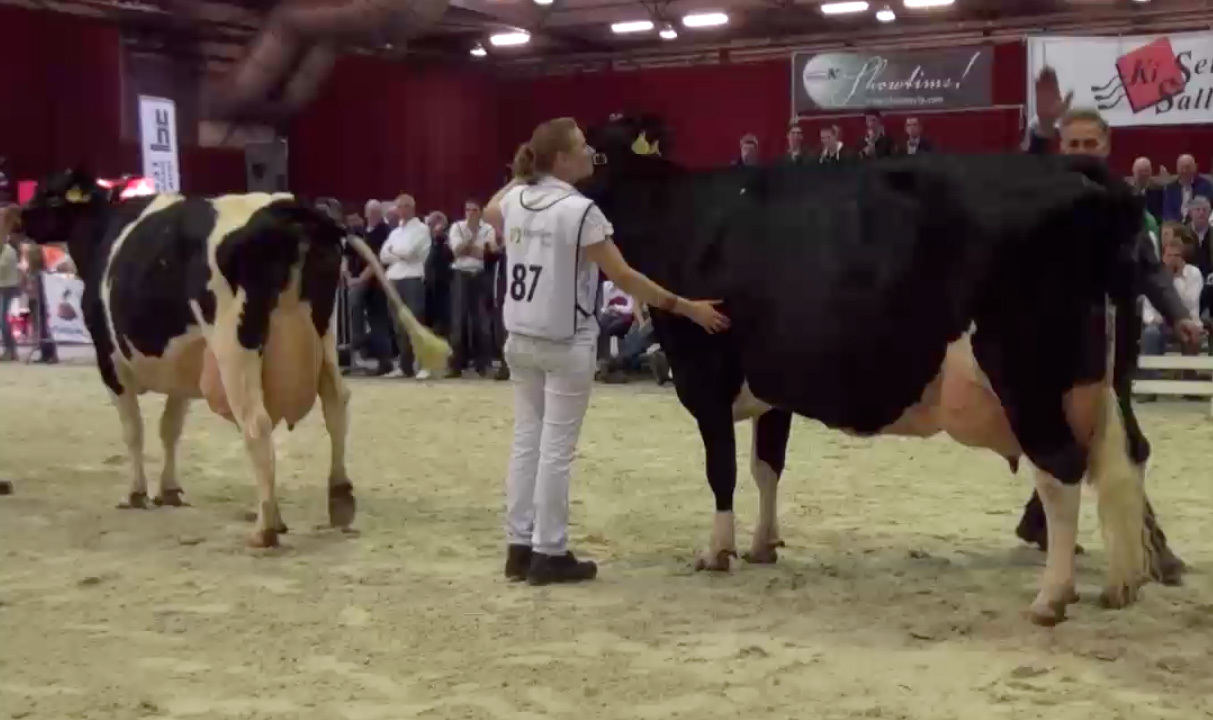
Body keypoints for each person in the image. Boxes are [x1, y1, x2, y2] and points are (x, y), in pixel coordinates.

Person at [484, 117, 729, 585]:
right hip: (564, 339)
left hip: (520, 337)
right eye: (580, 147)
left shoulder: (516, 199)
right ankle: (549, 551)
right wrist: (686, 307)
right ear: (561, 160)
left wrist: (522, 171)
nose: (589, 153)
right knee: (555, 449)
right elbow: (625, 277)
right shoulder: (580, 211)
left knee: (527, 441)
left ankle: (519, 546)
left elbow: (493, 209)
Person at [1015, 66, 1203, 583]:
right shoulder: (1044, 195)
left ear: (1106, 146)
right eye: (1070, 142)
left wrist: (1180, 316)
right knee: (1122, 444)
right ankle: (1152, 548)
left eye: (1089, 143)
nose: (1079, 150)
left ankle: (1038, 521)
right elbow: (1020, 179)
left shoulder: (1123, 204)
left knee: (1100, 440)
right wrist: (1040, 131)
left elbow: (1149, 269)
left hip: (1111, 350)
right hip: (1054, 350)